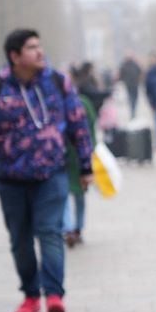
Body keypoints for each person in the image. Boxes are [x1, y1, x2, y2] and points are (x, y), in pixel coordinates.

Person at [0, 29, 93, 312]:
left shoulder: (58, 82)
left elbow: (79, 125)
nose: (40, 52)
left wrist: (85, 167)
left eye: (40, 45)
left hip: (52, 173)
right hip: (10, 178)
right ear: (14, 56)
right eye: (31, 47)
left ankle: (53, 295)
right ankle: (30, 294)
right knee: (20, 239)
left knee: (50, 231)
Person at [63, 89, 97, 248]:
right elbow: (92, 129)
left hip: (62, 155)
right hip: (81, 155)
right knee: (80, 195)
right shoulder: (83, 103)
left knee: (63, 194)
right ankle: (79, 229)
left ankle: (68, 228)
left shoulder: (54, 103)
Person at [118, 52, 143, 119]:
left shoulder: (127, 65)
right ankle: (133, 111)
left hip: (132, 84)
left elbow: (140, 73)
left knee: (133, 98)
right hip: (131, 85)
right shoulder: (127, 65)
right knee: (133, 98)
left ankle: (133, 111)